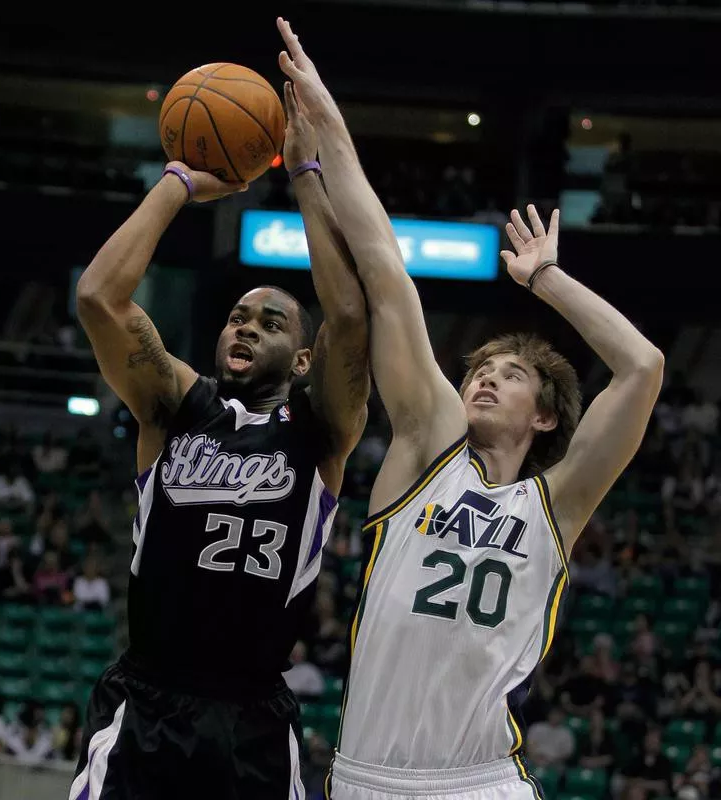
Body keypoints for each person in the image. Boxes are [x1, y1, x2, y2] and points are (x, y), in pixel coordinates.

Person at [277, 16, 663, 800]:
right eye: (478, 368)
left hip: (481, 782)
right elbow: (387, 270)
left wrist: (547, 281)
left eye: (510, 374)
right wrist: (331, 133)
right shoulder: (424, 448)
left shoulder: (555, 505)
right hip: (363, 778)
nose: (483, 378)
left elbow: (643, 366)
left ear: (546, 417)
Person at [68, 82, 369, 799]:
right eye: (238, 316)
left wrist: (304, 178)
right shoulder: (176, 404)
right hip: (145, 701)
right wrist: (177, 181)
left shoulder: (320, 431)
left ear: (302, 361)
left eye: (270, 322)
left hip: (252, 717)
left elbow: (352, 317)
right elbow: (98, 299)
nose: (246, 325)